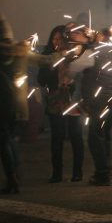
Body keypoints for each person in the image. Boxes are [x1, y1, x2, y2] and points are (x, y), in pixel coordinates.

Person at [0, 14, 59, 193]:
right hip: (18, 105)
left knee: (4, 141)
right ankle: (15, 174)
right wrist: (63, 53)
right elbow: (45, 61)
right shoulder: (22, 52)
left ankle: (12, 178)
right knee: (10, 138)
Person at [80, 27, 112, 186]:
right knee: (104, 135)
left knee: (95, 137)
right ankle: (106, 170)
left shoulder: (93, 52)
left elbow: (75, 67)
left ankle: (102, 173)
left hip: (99, 101)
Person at [37, 25, 84, 183]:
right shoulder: (48, 56)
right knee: (56, 137)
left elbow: (82, 75)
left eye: (60, 39)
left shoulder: (75, 54)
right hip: (55, 99)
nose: (56, 42)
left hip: (72, 99)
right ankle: (57, 173)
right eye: (54, 39)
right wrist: (50, 71)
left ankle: (77, 172)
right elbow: (41, 79)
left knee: (75, 135)